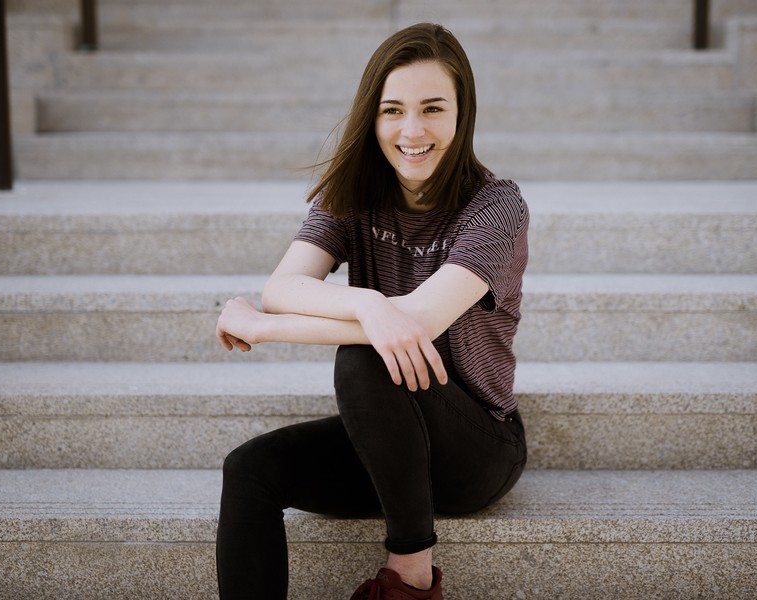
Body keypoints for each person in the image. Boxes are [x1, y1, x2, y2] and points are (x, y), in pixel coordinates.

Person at [215, 22, 529, 600]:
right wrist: (365, 300)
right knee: (249, 470)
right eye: (393, 111)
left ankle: (409, 577)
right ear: (373, 117)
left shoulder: (496, 207)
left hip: (477, 445)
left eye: (433, 108)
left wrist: (263, 328)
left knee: (366, 358)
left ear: (463, 114)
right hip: (388, 439)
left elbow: (418, 323)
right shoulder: (353, 199)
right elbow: (285, 285)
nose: (412, 131)